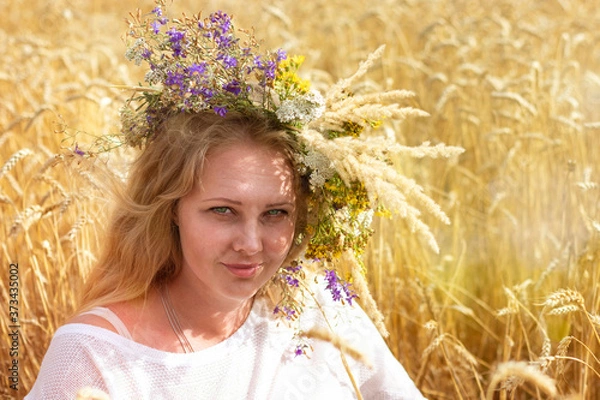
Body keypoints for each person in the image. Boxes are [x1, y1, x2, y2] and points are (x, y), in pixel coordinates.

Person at [26, 2, 446, 398]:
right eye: (223, 211)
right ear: (171, 210)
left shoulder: (322, 310)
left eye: (275, 213)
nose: (251, 243)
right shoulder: (95, 358)